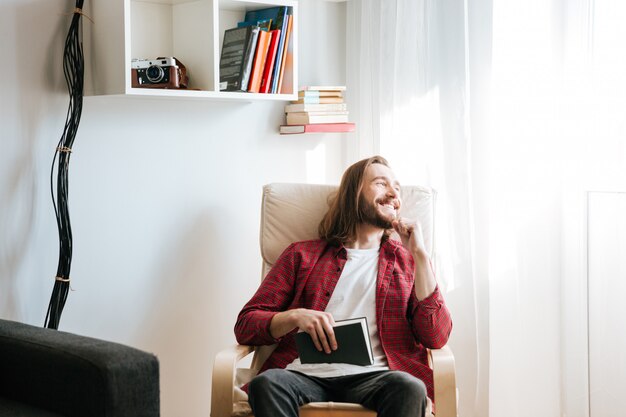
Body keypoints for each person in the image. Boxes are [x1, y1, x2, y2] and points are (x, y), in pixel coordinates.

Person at [235, 156, 452, 417]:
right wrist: (294, 316)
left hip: (379, 377)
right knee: (267, 384)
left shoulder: (409, 262)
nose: (394, 193)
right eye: (381, 184)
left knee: (409, 387)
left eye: (397, 187)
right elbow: (246, 325)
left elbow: (436, 336)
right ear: (354, 194)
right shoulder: (301, 255)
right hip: (304, 375)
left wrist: (420, 255)